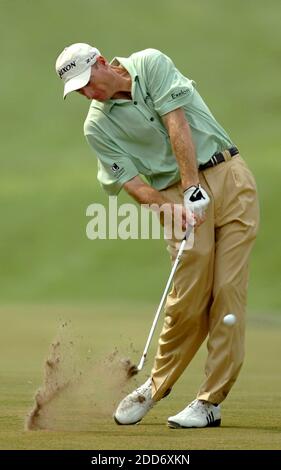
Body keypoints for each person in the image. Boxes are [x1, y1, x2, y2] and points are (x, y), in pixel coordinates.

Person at [55, 43, 259, 428]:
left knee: (229, 293)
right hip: (172, 195)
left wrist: (193, 186)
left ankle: (209, 401)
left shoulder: (150, 64)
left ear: (101, 62)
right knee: (188, 296)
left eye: (87, 82)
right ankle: (155, 385)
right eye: (78, 91)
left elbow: (175, 121)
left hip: (227, 175)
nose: (87, 93)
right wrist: (171, 205)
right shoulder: (96, 126)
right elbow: (130, 182)